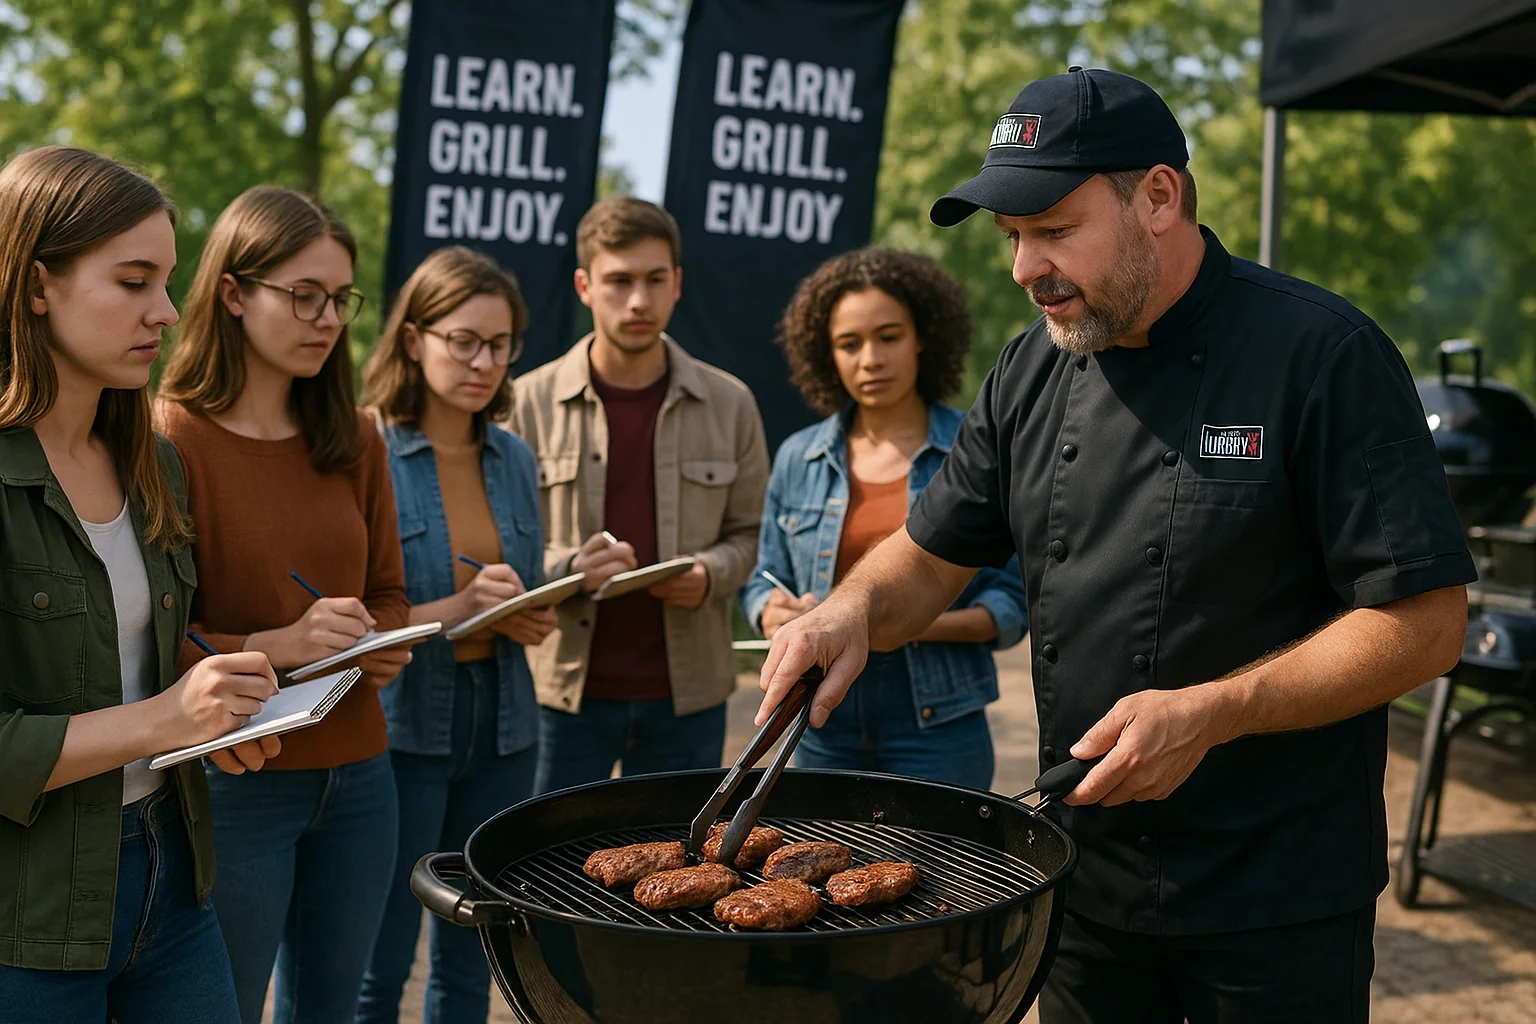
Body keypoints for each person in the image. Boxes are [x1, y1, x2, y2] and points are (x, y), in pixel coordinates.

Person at [756, 68, 1474, 1024]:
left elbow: (1425, 624)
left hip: (1275, 895)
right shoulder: (1028, 370)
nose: (1023, 268)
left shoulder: (1323, 354)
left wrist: (1214, 710)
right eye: (1013, 238)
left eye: (1054, 229)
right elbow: (931, 554)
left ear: (1160, 198)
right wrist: (847, 611)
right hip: (1083, 882)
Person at [0, 146, 284, 1022]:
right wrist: (167, 718)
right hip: (30, 917)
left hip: (174, 874)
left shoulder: (153, 460)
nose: (165, 312)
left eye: (167, 281)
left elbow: (132, 659)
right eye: (133, 281)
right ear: (37, 284)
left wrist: (219, 713)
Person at [157, 186, 414, 1024]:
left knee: (331, 1011)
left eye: (341, 299)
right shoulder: (165, 436)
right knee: (224, 1006)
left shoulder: (357, 436)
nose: (328, 318)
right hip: (237, 779)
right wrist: (283, 641)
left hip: (364, 773)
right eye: (304, 295)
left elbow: (387, 594)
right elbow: (149, 637)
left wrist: (380, 640)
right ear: (233, 292)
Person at [355, 246, 555, 1024]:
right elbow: (353, 620)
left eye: (500, 346)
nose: (483, 363)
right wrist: (463, 605)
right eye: (462, 341)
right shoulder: (366, 448)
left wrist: (533, 607)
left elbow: (513, 583)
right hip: (404, 724)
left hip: (504, 722)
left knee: (477, 947)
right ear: (413, 340)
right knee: (383, 952)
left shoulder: (513, 457)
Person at [741, 247, 1027, 789]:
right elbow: (761, 578)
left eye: (888, 336)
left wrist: (886, 623)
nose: (870, 358)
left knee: (944, 872)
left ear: (922, 336)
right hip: (821, 716)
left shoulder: (974, 448)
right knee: (821, 869)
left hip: (939, 719)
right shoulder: (798, 457)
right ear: (826, 354)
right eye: (849, 344)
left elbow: (1011, 606)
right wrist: (773, 613)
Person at [510, 196, 769, 792]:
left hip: (688, 698)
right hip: (560, 697)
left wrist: (709, 571)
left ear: (678, 284)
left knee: (676, 874)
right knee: (544, 876)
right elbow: (494, 549)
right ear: (583, 285)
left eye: (655, 280)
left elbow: (754, 536)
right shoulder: (524, 405)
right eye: (618, 281)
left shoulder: (730, 404)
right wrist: (567, 568)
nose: (638, 301)